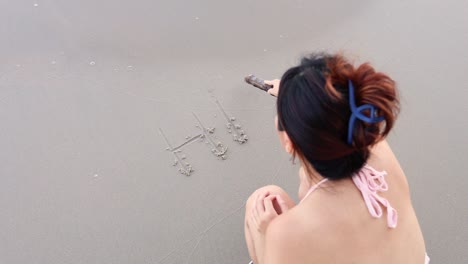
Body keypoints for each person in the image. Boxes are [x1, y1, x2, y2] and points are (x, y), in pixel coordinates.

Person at [244, 53, 429, 264]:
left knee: (263, 200)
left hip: (295, 240)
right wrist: (296, 98)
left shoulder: (285, 232)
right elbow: (339, 114)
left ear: (289, 142)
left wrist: (268, 232)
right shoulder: (375, 145)